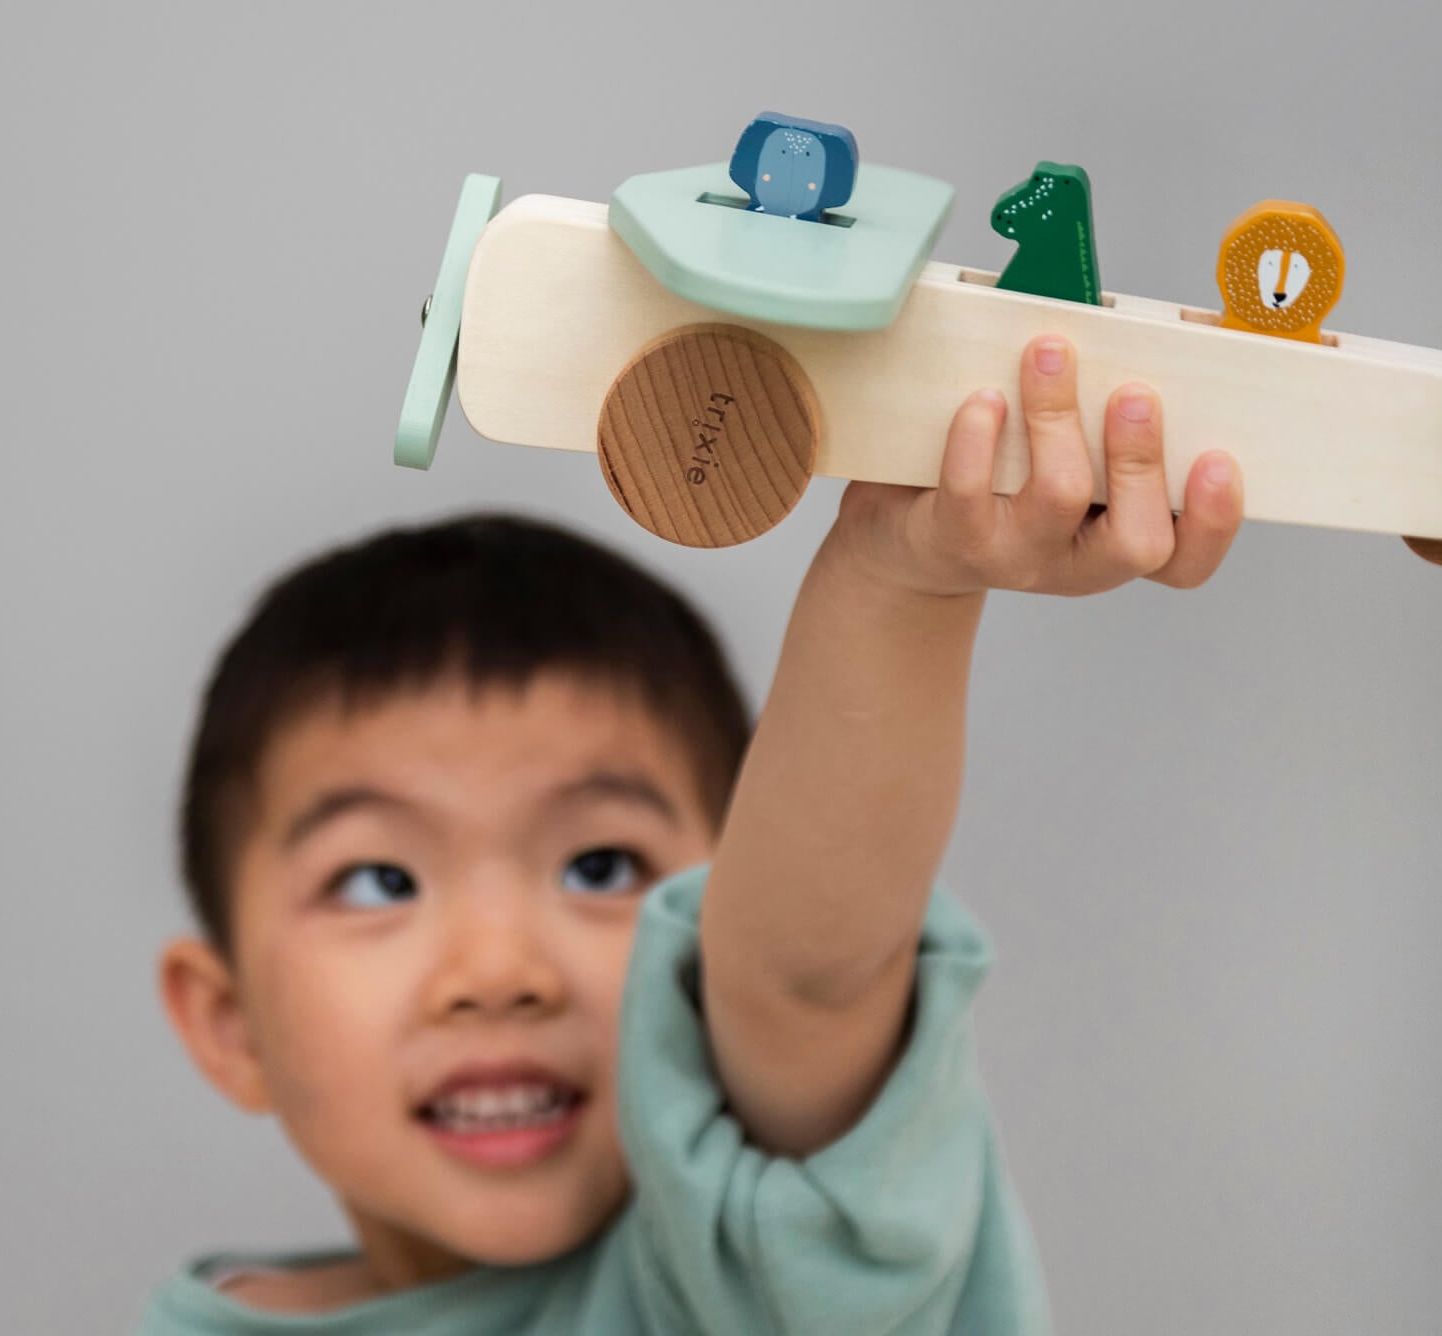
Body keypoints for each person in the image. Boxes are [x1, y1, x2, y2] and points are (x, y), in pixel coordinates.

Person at [137, 335, 1244, 1334]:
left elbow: (803, 975)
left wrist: (898, 578)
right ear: (227, 1022)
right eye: (379, 880)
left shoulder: (754, 1272)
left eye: (600, 866)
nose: (498, 972)